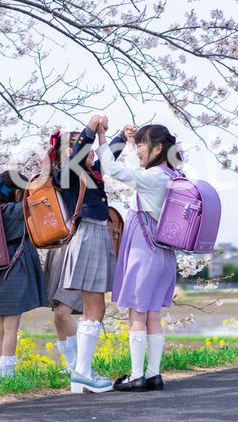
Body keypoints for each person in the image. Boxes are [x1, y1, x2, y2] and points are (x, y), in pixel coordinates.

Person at [96, 122, 180, 392]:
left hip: (145, 250)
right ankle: (153, 374)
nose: (139, 149)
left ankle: (135, 375)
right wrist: (131, 143)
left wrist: (102, 138)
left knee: (137, 313)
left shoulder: (153, 177)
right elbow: (138, 168)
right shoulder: (173, 175)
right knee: (152, 315)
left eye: (143, 144)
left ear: (157, 148)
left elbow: (112, 169)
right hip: (164, 253)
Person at [58, 115, 127, 393]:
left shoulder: (91, 173)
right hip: (89, 235)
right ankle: (82, 373)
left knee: (93, 307)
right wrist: (91, 126)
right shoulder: (68, 174)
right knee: (96, 307)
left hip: (94, 235)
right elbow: (77, 155)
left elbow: (108, 158)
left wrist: (121, 134)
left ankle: (82, 372)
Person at [0, 170, 49, 377]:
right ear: (17, 193)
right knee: (11, 328)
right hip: (14, 270)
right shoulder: (15, 210)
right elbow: (39, 201)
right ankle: (8, 371)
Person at [43, 131, 84, 372]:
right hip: (59, 247)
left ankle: (81, 362)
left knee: (63, 312)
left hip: (78, 246)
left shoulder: (84, 174)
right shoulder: (58, 176)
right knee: (58, 313)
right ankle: (71, 364)